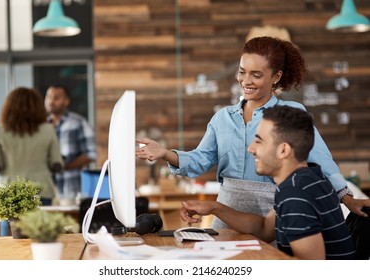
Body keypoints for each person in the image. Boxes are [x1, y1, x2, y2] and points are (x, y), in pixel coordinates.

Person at [136, 36, 370, 228]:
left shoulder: (291, 114)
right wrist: (164, 153)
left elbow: (322, 162)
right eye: (242, 72)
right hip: (226, 214)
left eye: (256, 75)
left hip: (272, 214)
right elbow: (200, 160)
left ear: (276, 77)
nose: (245, 81)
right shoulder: (222, 118)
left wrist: (347, 199)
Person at [180, 105, 356, 260]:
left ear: (283, 150)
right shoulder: (309, 178)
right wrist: (214, 207)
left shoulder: (296, 194)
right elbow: (264, 228)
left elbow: (311, 270)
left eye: (258, 140)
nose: (251, 148)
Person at [0, 87, 63, 206]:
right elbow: (56, 164)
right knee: (40, 225)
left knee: (10, 225)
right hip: (40, 191)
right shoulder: (48, 130)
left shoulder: (1, 130)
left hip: (8, 191)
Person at [45, 84, 97, 204]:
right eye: (48, 97)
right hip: (47, 192)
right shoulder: (42, 126)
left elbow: (91, 155)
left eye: (56, 98)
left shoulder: (78, 123)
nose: (51, 101)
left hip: (72, 190)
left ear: (66, 101)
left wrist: (63, 167)